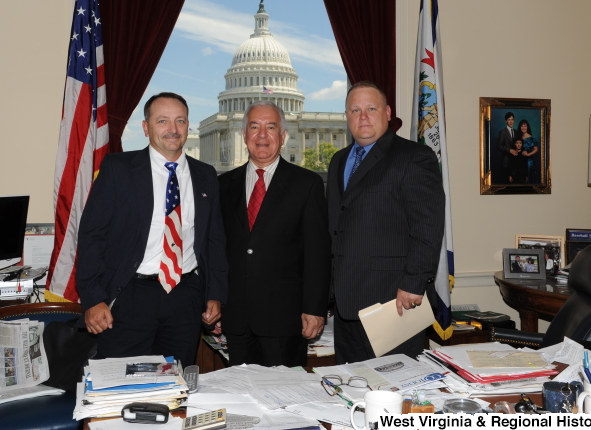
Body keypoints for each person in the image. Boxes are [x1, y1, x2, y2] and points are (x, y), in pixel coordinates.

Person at [76, 92, 228, 366]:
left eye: (180, 121)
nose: (172, 129)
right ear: (146, 128)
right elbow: (91, 236)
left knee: (175, 384)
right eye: (162, 121)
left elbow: (214, 241)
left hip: (186, 297)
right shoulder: (118, 169)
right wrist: (93, 298)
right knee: (120, 388)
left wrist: (215, 294)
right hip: (130, 297)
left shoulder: (206, 175)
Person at [327, 81, 445, 362]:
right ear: (347, 117)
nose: (363, 117)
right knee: (351, 389)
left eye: (371, 108)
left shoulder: (413, 157)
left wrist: (414, 282)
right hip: (345, 305)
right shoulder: (339, 161)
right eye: (355, 110)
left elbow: (427, 227)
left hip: (393, 303)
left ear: (388, 112)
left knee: (393, 392)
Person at [218, 101, 331, 367]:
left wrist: (315, 309)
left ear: (283, 137)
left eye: (271, 127)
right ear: (244, 135)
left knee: (284, 402)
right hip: (236, 319)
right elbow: (216, 249)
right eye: (254, 127)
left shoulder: (307, 184)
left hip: (285, 319)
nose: (262, 135)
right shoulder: (223, 185)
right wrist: (215, 302)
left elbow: (318, 254)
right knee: (240, 399)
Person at [496, 112, 518, 183]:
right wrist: (509, 150)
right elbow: (499, 147)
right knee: (506, 184)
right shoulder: (502, 132)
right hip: (506, 162)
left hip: (515, 162)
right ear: (506, 121)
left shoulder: (516, 132)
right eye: (509, 120)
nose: (511, 122)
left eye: (512, 119)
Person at [517, 119, 539, 184]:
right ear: (520, 127)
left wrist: (528, 154)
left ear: (528, 127)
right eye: (522, 126)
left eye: (525, 126)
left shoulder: (531, 137)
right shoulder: (518, 137)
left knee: (528, 180)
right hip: (520, 160)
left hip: (529, 162)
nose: (523, 128)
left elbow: (536, 149)